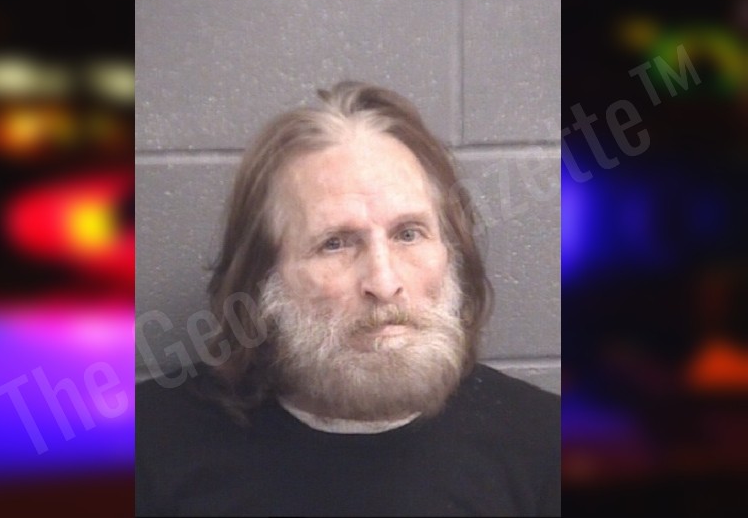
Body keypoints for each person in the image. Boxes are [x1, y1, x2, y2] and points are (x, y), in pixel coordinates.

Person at [136, 81, 560, 516]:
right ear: (262, 280)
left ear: (451, 252)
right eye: (335, 243)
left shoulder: (547, 447)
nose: (384, 282)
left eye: (408, 234)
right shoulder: (145, 447)